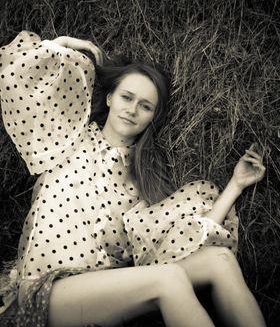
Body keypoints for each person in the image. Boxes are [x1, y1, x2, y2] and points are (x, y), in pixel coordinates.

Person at [0, 31, 266, 327]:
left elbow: (184, 241)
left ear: (153, 117)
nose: (133, 109)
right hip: (46, 291)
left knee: (220, 260)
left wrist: (236, 184)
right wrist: (62, 44)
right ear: (111, 97)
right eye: (127, 97)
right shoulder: (67, 138)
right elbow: (17, 77)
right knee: (169, 278)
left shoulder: (140, 186)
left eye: (145, 105)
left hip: (107, 294)